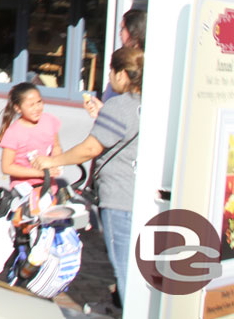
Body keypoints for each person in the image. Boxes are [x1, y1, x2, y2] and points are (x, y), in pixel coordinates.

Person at [34, 47, 142, 306]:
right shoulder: (143, 103)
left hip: (120, 198)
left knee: (125, 270)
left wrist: (52, 160)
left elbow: (91, 149)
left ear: (123, 74)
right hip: (137, 195)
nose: (110, 79)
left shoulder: (121, 105)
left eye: (112, 73)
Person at [0, 83, 62, 189]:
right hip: (24, 190)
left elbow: (56, 146)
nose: (37, 108)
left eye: (39, 102)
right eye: (31, 105)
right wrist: (41, 173)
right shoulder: (13, 133)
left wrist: (55, 163)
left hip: (49, 187)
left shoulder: (49, 120)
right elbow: (6, 167)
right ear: (18, 108)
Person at [94, 8, 146, 108]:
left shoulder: (137, 61)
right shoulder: (124, 55)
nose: (120, 33)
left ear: (134, 31)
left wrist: (104, 111)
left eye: (123, 29)